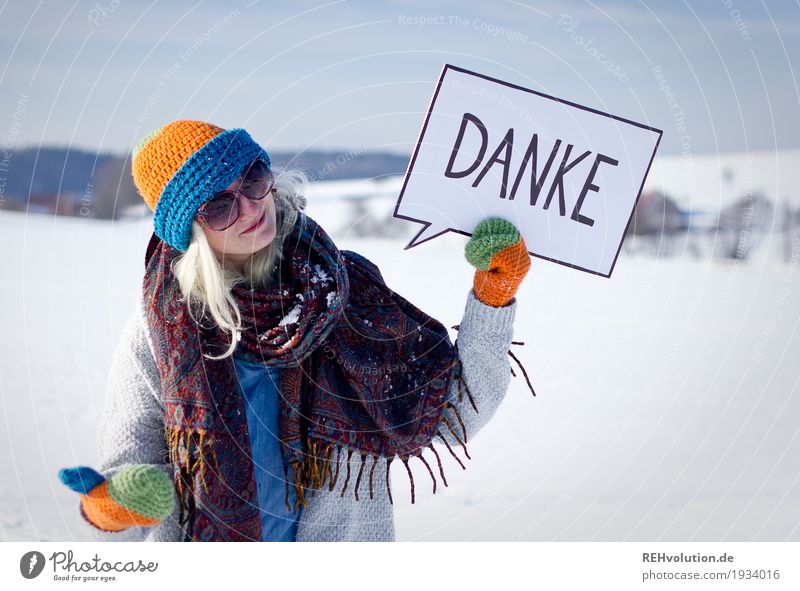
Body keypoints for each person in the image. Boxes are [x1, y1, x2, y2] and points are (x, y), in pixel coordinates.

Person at [58, 119, 532, 542]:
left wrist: (495, 293)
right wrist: (115, 507)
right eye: (219, 207)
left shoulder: (343, 292)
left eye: (253, 180)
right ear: (191, 233)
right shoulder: (159, 331)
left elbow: (456, 413)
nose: (249, 208)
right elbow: (130, 468)